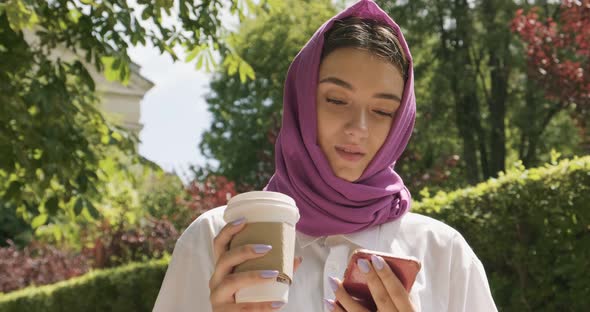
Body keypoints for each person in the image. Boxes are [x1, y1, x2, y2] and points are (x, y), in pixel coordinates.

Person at [153, 0, 498, 311]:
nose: (358, 127)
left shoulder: (444, 255)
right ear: (301, 103)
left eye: (382, 111)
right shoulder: (218, 239)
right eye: (336, 100)